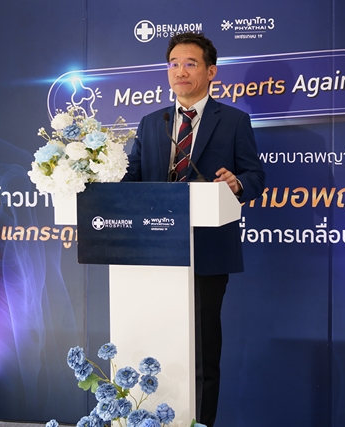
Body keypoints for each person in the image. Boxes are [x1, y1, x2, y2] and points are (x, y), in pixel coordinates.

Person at [122, 32, 266, 426]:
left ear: (211, 72)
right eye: (173, 64)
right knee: (154, 348)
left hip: (207, 252)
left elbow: (255, 176)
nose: (180, 72)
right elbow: (131, 180)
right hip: (153, 254)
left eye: (190, 64)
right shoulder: (152, 123)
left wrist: (237, 183)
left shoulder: (233, 121)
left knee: (202, 353)